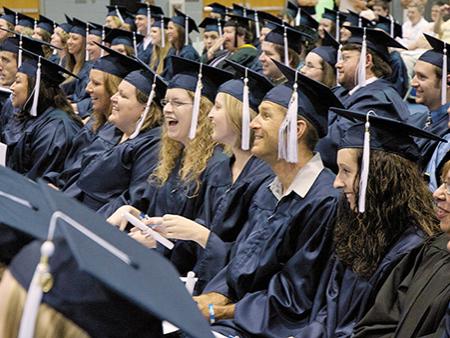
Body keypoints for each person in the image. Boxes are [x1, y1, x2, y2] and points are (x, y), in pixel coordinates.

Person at [193, 63, 342, 335]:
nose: (253, 123)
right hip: (236, 318)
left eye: (265, 115)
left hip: (269, 328)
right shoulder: (268, 190)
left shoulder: (324, 200)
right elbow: (239, 264)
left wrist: (219, 311)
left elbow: (293, 299)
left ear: (296, 129)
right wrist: (209, 298)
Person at [129, 61, 275, 294]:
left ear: (240, 115)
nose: (209, 116)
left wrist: (198, 236)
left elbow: (251, 255)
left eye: (217, 107)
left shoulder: (265, 180)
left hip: (228, 292)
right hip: (191, 277)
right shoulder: (221, 171)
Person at [104, 57, 233, 221]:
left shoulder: (217, 167)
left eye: (177, 103)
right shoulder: (173, 158)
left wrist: (157, 240)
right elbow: (152, 213)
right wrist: (133, 214)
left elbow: (201, 233)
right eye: (166, 102)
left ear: (201, 111)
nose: (167, 110)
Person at [352, 156, 450, 337]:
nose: (437, 193)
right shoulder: (432, 250)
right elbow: (377, 324)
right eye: (443, 183)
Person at [62, 59, 165, 212]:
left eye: (123, 95)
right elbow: (82, 173)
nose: (113, 98)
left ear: (145, 108)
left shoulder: (152, 146)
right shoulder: (112, 128)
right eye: (116, 92)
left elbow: (133, 201)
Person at [43, 45, 140, 190]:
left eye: (96, 83)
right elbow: (71, 169)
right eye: (89, 81)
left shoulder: (121, 134)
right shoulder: (93, 122)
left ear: (113, 89)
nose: (87, 89)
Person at [316, 26, 410, 173]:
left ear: (367, 60)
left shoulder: (378, 99)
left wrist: (301, 144)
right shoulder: (342, 92)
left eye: (346, 58)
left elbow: (337, 144)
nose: (337, 64)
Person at [4, 50, 82, 180]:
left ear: (35, 88)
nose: (12, 87)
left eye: (17, 81)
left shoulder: (56, 130)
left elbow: (36, 181)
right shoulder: (29, 114)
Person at [411, 35, 450, 177]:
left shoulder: (447, 132)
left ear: (447, 81)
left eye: (422, 77)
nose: (413, 83)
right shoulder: (415, 119)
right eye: (414, 75)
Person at [61, 18, 93, 116]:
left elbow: (87, 97)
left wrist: (72, 104)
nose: (69, 42)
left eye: (74, 38)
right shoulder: (67, 63)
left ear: (84, 43)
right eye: (69, 38)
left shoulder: (88, 69)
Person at [161, 10, 200, 80]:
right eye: (167, 28)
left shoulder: (188, 53)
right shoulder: (172, 51)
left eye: (171, 28)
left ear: (180, 31)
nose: (167, 32)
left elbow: (186, 79)